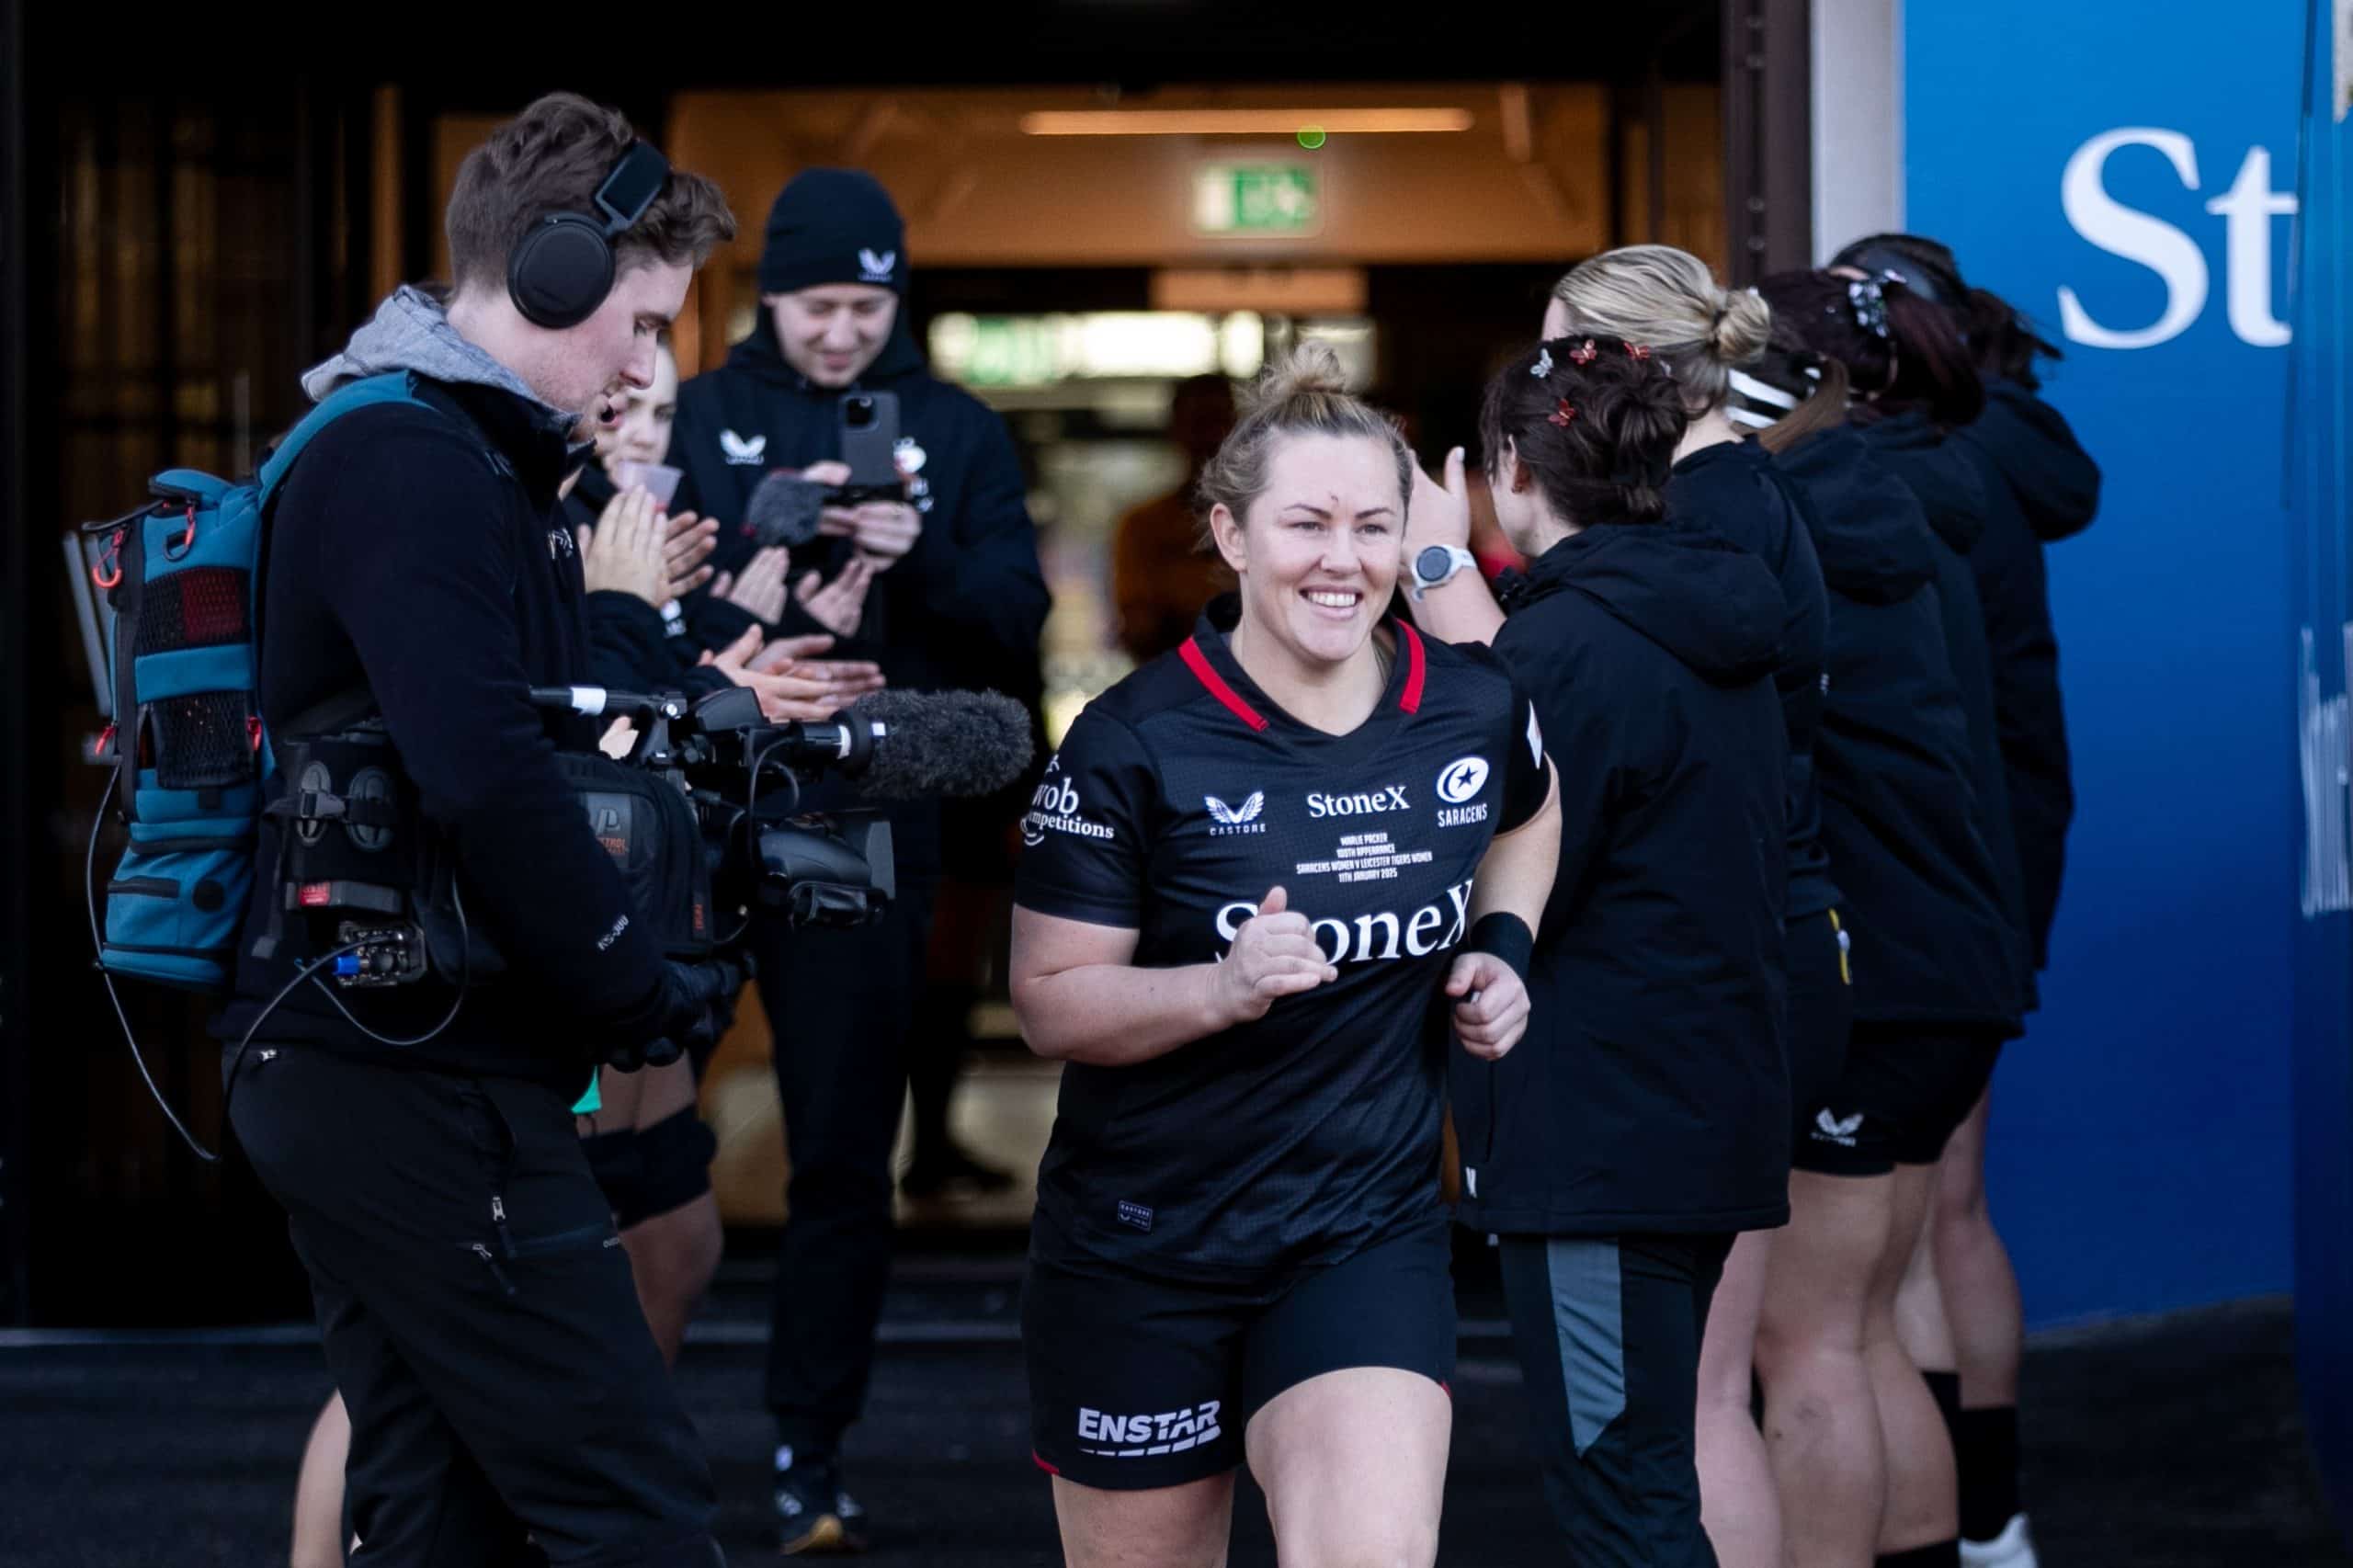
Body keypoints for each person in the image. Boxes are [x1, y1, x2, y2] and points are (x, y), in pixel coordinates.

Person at [220, 92, 740, 1565]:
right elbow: (489, 769)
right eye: (640, 324)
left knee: (443, 1510)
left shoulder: (461, 457)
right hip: (402, 1061)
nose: (651, 364)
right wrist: (632, 988)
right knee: (629, 1504)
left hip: (379, 1045)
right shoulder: (411, 461)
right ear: (553, 274)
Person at [1010, 343, 1560, 1568]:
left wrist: (1504, 945)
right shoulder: (1131, 743)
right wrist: (1220, 985)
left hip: (1359, 1233)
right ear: (1231, 533)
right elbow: (1048, 1003)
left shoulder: (1468, 703)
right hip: (1142, 1246)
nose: (1343, 559)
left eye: (1374, 524)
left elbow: (1532, 808)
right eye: (1305, 523)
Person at [667, 166, 1051, 1551]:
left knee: (840, 1145)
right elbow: (626, 606)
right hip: (694, 800)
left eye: (866, 305)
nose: (841, 334)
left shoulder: (953, 426)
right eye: (819, 304)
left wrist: (921, 546)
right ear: (771, 296)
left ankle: (806, 1449)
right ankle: (605, 1429)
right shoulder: (699, 414)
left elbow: (1018, 614)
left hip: (872, 806)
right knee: (633, 1129)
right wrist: (760, 561)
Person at [1404, 335, 1790, 1568]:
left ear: (1509, 468)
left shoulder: (1565, 647)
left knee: (1624, 1502)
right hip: (1701, 1104)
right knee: (1648, 1474)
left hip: (1600, 1138)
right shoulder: (1711, 613)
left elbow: (1524, 877)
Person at [1540, 246, 1836, 1568]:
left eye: (1556, 358)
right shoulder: (1725, 496)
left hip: (1712, 976)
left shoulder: (1706, 518)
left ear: (1619, 370)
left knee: (1695, 1413)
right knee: (1707, 1402)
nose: (1540, 390)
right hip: (1750, 960)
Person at [1829, 235, 2100, 1568]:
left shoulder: (1907, 476)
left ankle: (1958, 1523)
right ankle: (1989, 1514)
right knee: (1947, 1215)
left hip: (1939, 874)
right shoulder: (1998, 450)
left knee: (1893, 1257)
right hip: (1991, 866)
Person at [1756, 267, 2031, 1568]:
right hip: (1947, 966)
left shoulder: (1802, 529)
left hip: (1880, 979)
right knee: (1864, 1326)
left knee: (1809, 1339)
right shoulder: (1907, 500)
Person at [1110, 371, 1238, 662]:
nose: (1211, 437)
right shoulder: (1142, 528)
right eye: (1200, 423)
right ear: (1177, 430)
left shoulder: (1265, 521)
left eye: (1221, 422)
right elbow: (1140, 630)